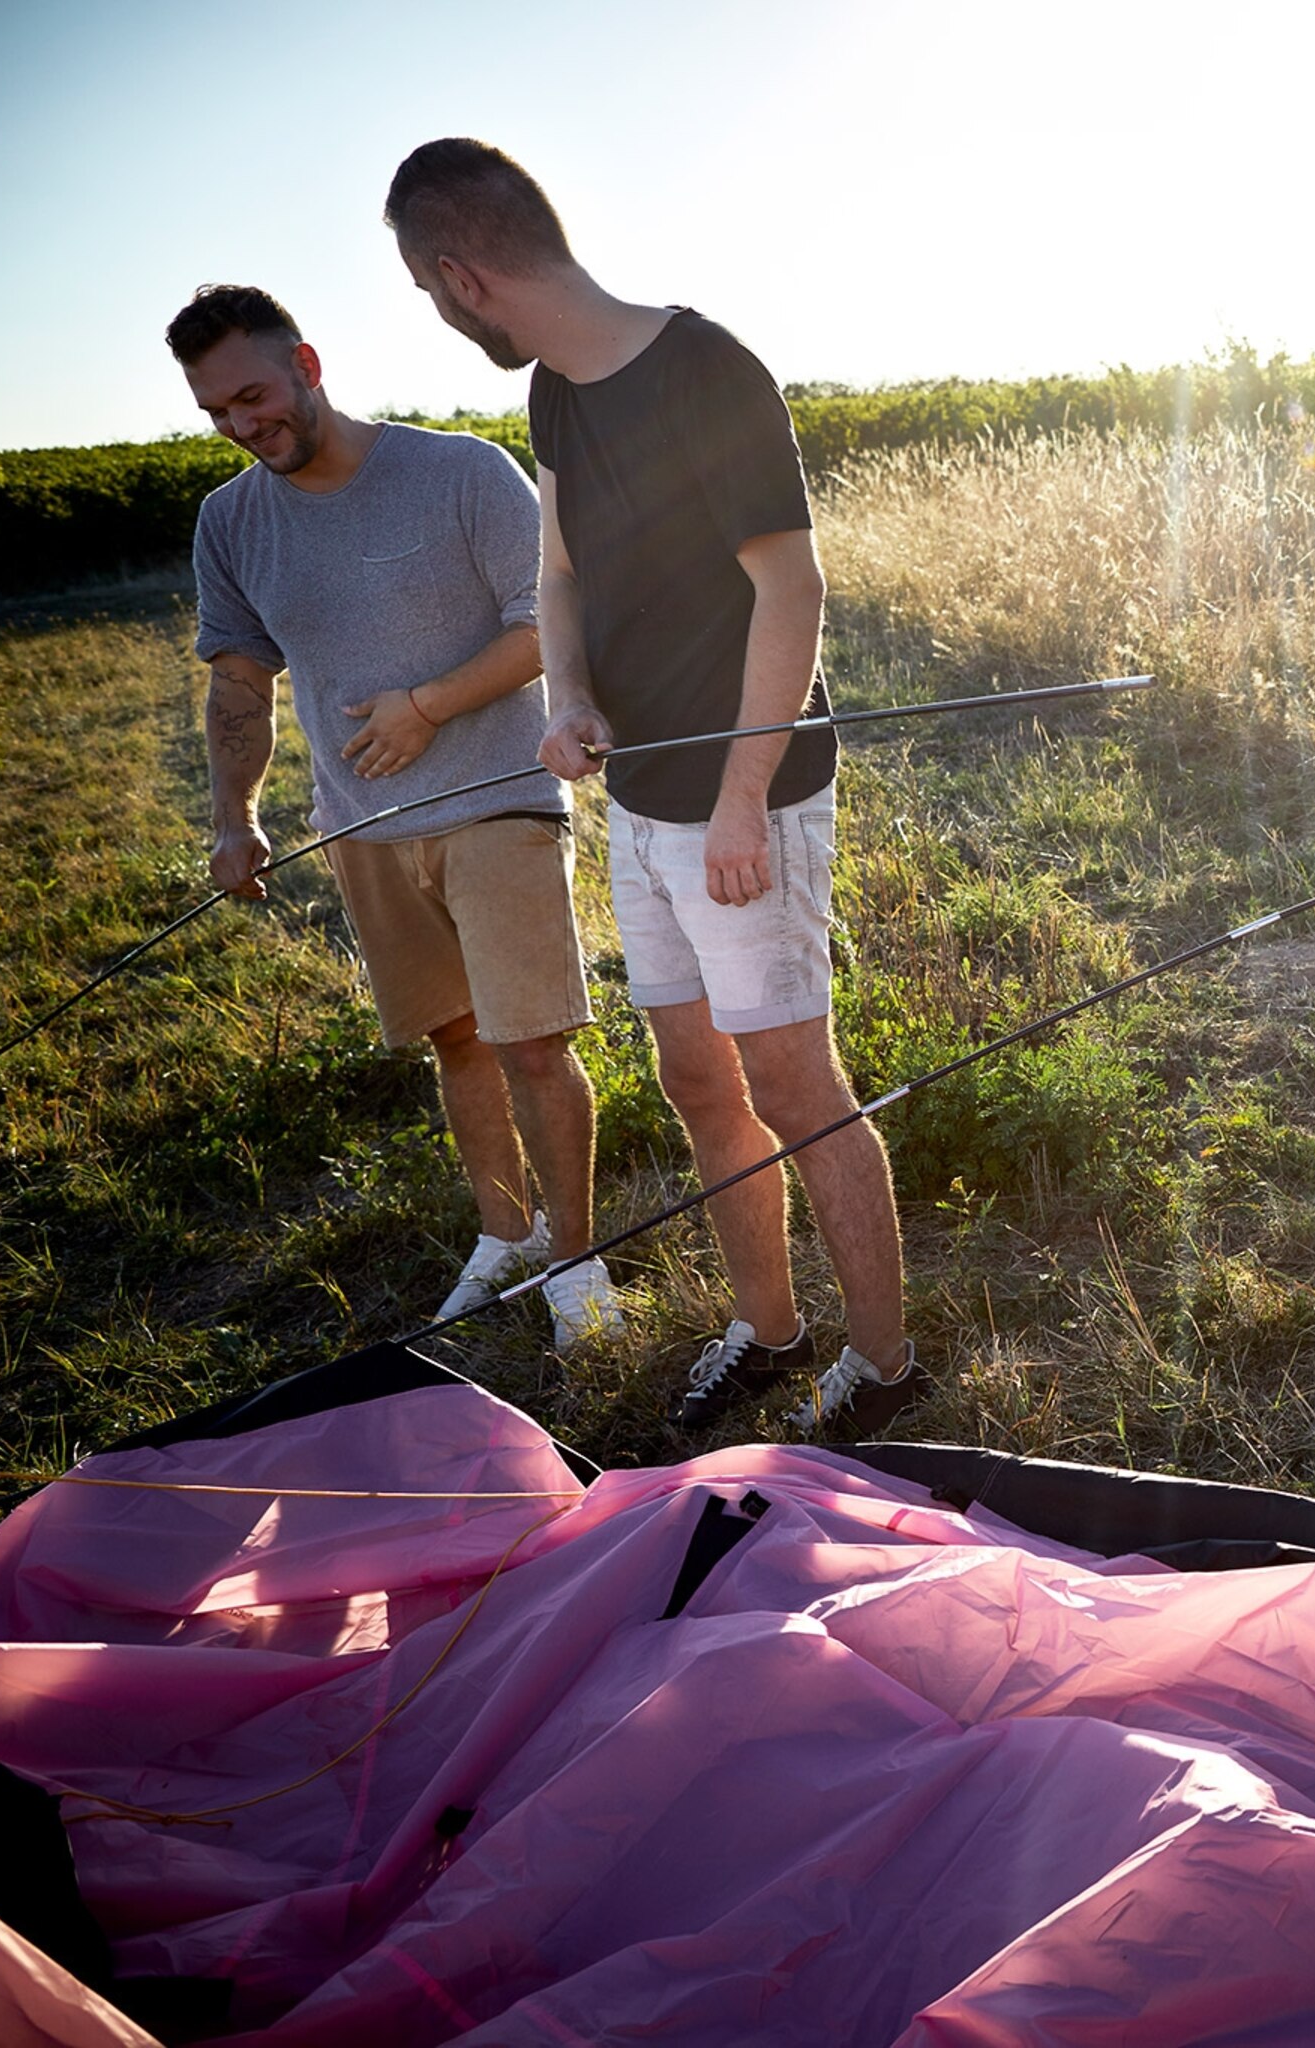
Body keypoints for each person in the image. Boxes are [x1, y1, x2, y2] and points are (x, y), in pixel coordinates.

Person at [382, 138, 917, 1437]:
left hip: (751, 795)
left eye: (426, 290)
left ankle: (889, 1366)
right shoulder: (559, 396)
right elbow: (559, 575)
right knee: (695, 1078)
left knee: (796, 1085)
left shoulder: (706, 369)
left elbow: (794, 589)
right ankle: (771, 1330)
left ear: (461, 275)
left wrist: (741, 799)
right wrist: (566, 694)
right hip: (639, 802)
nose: (438, 313)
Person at [172, 284, 619, 1352]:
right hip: (363, 824)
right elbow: (239, 684)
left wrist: (427, 706)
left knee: (532, 1043)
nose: (242, 424)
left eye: (251, 394)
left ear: (307, 364)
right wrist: (234, 817)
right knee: (454, 1043)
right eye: (215, 412)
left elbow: (549, 626)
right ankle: (504, 1235)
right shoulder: (230, 522)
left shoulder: (460, 471)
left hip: (498, 798)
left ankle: (576, 1259)